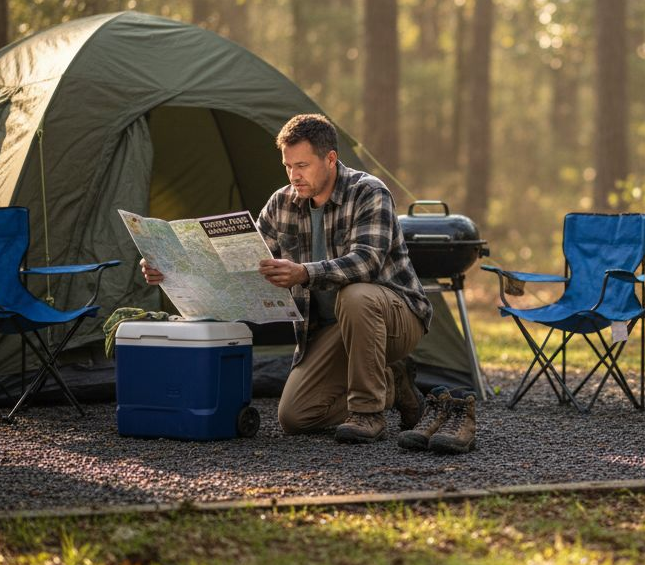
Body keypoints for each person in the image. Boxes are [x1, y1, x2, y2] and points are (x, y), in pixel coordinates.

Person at [141, 114, 432, 444]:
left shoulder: (368, 192)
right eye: (288, 166)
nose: (294, 175)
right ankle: (392, 386)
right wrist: (171, 269)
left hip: (394, 319)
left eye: (303, 165)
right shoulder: (282, 203)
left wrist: (304, 272)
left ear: (331, 159)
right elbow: (240, 265)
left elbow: (367, 262)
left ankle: (368, 413)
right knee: (296, 416)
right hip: (329, 330)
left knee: (356, 294)